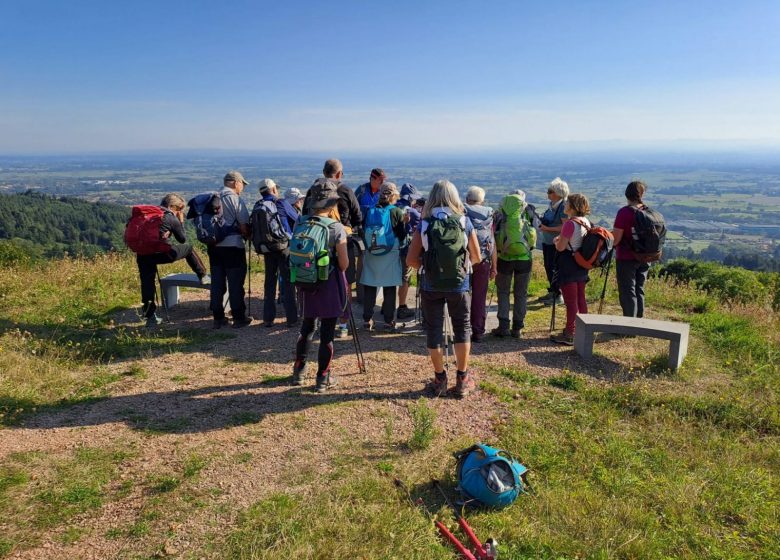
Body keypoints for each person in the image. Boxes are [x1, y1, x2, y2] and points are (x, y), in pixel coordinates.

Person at [406, 180, 482, 399]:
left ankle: (439, 379)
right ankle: (462, 378)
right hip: (459, 284)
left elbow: (411, 260)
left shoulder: (426, 223)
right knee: (462, 328)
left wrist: (428, 267)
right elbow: (476, 257)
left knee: (434, 330)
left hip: (431, 284)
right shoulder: (464, 221)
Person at [291, 179, 349, 392]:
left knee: (307, 327)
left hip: (304, 282)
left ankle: (299, 371)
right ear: (332, 203)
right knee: (327, 332)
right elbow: (343, 264)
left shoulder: (300, 222)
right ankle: (323, 378)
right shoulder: (336, 228)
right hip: (329, 283)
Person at [303, 158, 363, 338]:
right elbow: (358, 216)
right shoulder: (345, 190)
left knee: (318, 280)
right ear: (339, 174)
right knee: (345, 285)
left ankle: (321, 321)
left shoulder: (312, 190)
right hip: (342, 242)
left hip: (316, 245)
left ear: (324, 172)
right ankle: (343, 325)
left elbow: (305, 215)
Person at [134, 194, 209, 327]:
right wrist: (180, 222)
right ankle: (203, 275)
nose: (181, 211)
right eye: (180, 208)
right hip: (161, 253)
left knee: (147, 283)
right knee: (189, 249)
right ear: (171, 206)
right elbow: (182, 239)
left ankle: (150, 318)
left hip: (142, 254)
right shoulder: (169, 217)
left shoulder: (148, 215)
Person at [361, 182, 409, 331]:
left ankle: (367, 319)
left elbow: (363, 230)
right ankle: (389, 321)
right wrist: (405, 224)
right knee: (389, 287)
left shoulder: (370, 210)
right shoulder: (396, 212)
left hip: (371, 252)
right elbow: (402, 236)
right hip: (390, 252)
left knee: (370, 285)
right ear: (394, 195)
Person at [209, 171, 252, 329]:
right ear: (235, 183)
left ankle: (218, 317)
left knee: (217, 282)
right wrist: (248, 235)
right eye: (242, 184)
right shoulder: (234, 198)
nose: (243, 187)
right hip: (232, 246)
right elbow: (243, 225)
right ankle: (239, 317)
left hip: (213, 246)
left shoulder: (213, 197)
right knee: (235, 282)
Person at [491, 190, 537, 338]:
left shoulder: (500, 213)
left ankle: (503, 327)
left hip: (504, 257)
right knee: (521, 293)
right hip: (524, 259)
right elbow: (536, 229)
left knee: (503, 292)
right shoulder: (528, 211)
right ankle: (517, 328)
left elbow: (493, 232)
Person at [257, 178, 299, 328]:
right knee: (288, 282)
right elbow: (297, 219)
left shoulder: (258, 205)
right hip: (283, 247)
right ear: (273, 189)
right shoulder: (281, 202)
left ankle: (268, 319)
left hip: (267, 249)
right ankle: (292, 319)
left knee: (269, 281)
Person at [551, 194, 592, 345]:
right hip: (581, 263)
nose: (564, 205)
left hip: (568, 264)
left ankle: (570, 333)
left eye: (567, 203)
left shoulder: (570, 224)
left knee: (570, 301)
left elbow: (561, 247)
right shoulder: (586, 222)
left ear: (573, 206)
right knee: (580, 298)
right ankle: (584, 329)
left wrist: (556, 241)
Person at [612, 180, 651, 318]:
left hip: (626, 257)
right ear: (642, 194)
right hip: (646, 256)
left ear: (627, 194)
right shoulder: (648, 211)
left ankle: (629, 325)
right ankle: (639, 321)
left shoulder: (624, 213)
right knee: (639, 289)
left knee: (628, 291)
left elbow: (616, 239)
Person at [464, 186, 497, 342]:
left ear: (467, 199)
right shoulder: (489, 215)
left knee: (462, 294)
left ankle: (462, 328)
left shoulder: (462, 212)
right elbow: (493, 242)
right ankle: (478, 331)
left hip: (464, 260)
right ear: (481, 199)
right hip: (483, 260)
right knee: (479, 297)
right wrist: (494, 267)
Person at [538, 178, 569, 306]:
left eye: (550, 191)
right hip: (548, 241)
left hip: (556, 243)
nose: (548, 193)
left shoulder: (563, 207)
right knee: (548, 267)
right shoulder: (553, 205)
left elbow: (565, 227)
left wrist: (547, 228)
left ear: (557, 193)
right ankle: (553, 291)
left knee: (554, 268)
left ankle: (558, 295)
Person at [396, 183, 422, 320]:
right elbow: (422, 224)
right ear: (411, 198)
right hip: (404, 249)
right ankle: (402, 307)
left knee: (392, 277)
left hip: (390, 249)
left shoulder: (393, 206)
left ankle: (386, 306)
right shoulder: (411, 212)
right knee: (405, 278)